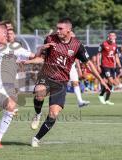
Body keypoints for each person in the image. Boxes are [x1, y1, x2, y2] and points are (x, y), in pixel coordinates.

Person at [23, 18, 110, 147]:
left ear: (69, 30)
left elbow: (89, 65)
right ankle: (38, 113)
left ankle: (36, 138)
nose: (57, 31)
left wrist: (101, 81)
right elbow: (40, 58)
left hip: (61, 82)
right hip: (46, 75)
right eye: (57, 28)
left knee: (54, 114)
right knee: (39, 91)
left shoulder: (77, 45)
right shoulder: (50, 39)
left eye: (60, 29)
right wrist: (32, 58)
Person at [97, 31, 122, 105]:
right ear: (108, 36)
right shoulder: (103, 44)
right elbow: (98, 55)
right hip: (105, 66)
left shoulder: (115, 45)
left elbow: (116, 56)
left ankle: (106, 99)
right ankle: (101, 94)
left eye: (113, 36)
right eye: (111, 35)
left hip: (112, 66)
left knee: (110, 84)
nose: (112, 37)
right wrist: (98, 65)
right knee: (111, 81)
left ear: (115, 37)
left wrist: (119, 66)